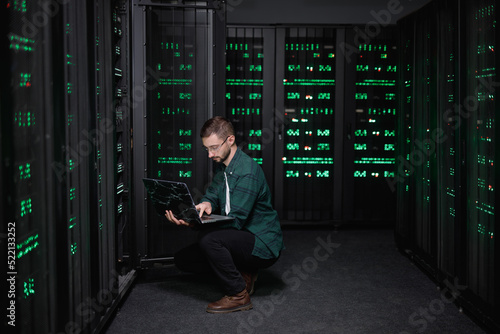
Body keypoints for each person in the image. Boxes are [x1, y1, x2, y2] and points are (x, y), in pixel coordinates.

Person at [165, 116, 284, 314]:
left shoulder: (247, 171)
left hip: (262, 243)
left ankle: (238, 295)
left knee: (209, 240)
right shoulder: (224, 167)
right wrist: (204, 205)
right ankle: (243, 271)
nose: (210, 154)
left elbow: (236, 221)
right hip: (241, 237)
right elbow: (212, 195)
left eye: (214, 148)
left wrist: (196, 224)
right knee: (184, 259)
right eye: (207, 149)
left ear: (230, 140)